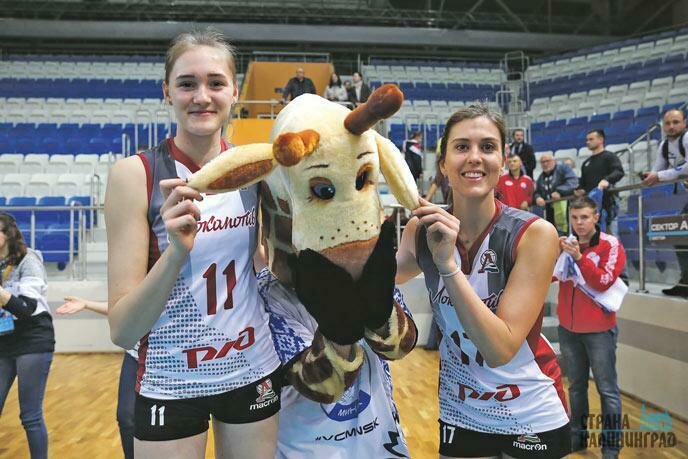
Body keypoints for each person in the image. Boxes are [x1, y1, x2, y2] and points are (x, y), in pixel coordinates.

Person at [105, 30, 281, 458]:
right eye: (187, 84)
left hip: (250, 366)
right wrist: (175, 253)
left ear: (235, 91)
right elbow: (122, 330)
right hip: (171, 376)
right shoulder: (135, 175)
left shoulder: (255, 169)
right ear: (167, 92)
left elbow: (267, 264)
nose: (202, 96)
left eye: (216, 83)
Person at [396, 105, 570, 458]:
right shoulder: (420, 229)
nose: (475, 157)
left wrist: (447, 265)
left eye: (487, 147)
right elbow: (376, 282)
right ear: (443, 164)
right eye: (462, 147)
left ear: (503, 161)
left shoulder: (535, 234)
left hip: (530, 410)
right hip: (460, 410)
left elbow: (499, 350)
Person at [256, 265, 414, 458]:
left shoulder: (371, 269)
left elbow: (400, 344)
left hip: (380, 440)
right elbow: (325, 384)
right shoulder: (266, 293)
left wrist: (372, 289)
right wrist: (341, 299)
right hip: (307, 447)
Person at [556, 196, 626, 458]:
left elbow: (603, 281)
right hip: (568, 328)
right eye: (574, 218)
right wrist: (555, 254)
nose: (579, 223)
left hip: (599, 331)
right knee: (576, 387)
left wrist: (579, 258)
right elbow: (551, 275)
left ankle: (611, 447)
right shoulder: (566, 244)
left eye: (584, 217)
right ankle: (578, 438)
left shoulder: (610, 244)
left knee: (607, 390)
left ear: (596, 217)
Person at [0, 213, 54, 459]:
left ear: (8, 234)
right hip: (5, 338)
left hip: (32, 338)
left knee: (30, 414)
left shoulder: (28, 260)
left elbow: (25, 309)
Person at [56, 297, 136, 459]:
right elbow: (122, 309)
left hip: (173, 359)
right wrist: (87, 304)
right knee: (126, 416)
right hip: (137, 354)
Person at [641, 108, 688, 298]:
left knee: (681, 234)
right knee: (680, 236)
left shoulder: (687, 138)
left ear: (684, 123)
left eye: (676, 122)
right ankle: (685, 282)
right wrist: (649, 176)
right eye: (667, 123)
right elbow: (657, 171)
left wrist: (659, 176)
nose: (671, 126)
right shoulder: (665, 145)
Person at [574, 129, 625, 231]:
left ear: (601, 139)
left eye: (591, 139)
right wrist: (579, 190)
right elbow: (583, 183)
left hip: (608, 202)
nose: (588, 142)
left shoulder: (609, 156)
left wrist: (607, 180)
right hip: (591, 205)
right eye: (587, 140)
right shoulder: (586, 163)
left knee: (610, 233)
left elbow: (619, 172)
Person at [534, 153, 579, 234]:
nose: (545, 164)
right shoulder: (541, 177)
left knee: (567, 233)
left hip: (567, 208)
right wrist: (538, 197)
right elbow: (537, 191)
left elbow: (573, 182)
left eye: (547, 161)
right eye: (543, 162)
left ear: (554, 161)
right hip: (549, 210)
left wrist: (559, 191)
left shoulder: (564, 168)